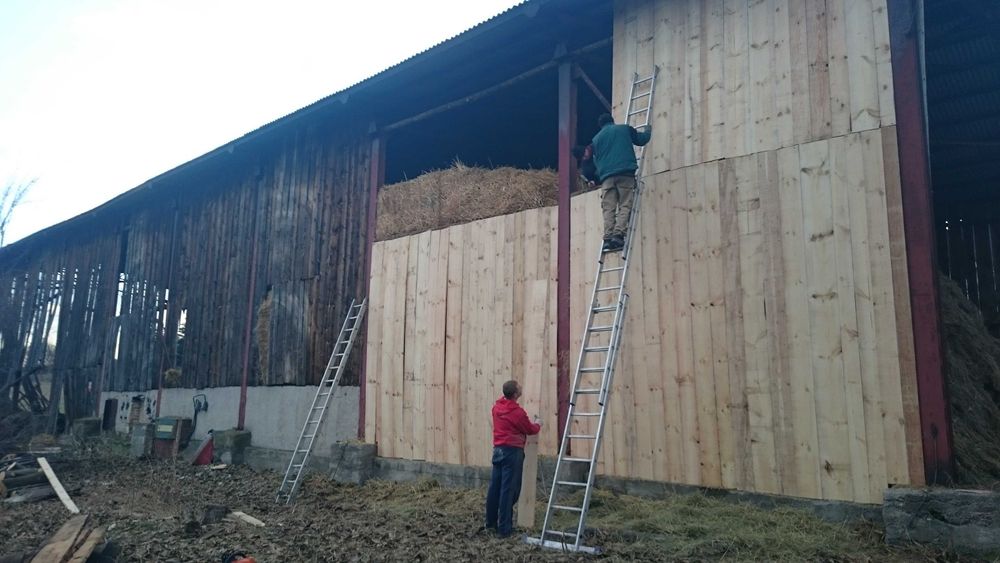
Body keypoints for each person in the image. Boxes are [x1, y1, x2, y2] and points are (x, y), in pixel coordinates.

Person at [484, 380, 542, 538]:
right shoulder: (517, 413)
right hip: (512, 453)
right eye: (519, 387)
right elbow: (529, 429)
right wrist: (538, 424)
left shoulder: (496, 408)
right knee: (508, 491)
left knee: (495, 488)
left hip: (498, 450)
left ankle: (490, 523)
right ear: (516, 394)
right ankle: (504, 529)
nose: (521, 388)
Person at [591, 113, 652, 252]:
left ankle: (607, 239)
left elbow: (596, 161)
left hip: (606, 178)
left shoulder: (595, 140)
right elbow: (641, 140)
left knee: (609, 209)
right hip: (625, 174)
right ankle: (618, 236)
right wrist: (648, 130)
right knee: (625, 205)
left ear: (600, 125)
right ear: (612, 121)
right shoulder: (624, 129)